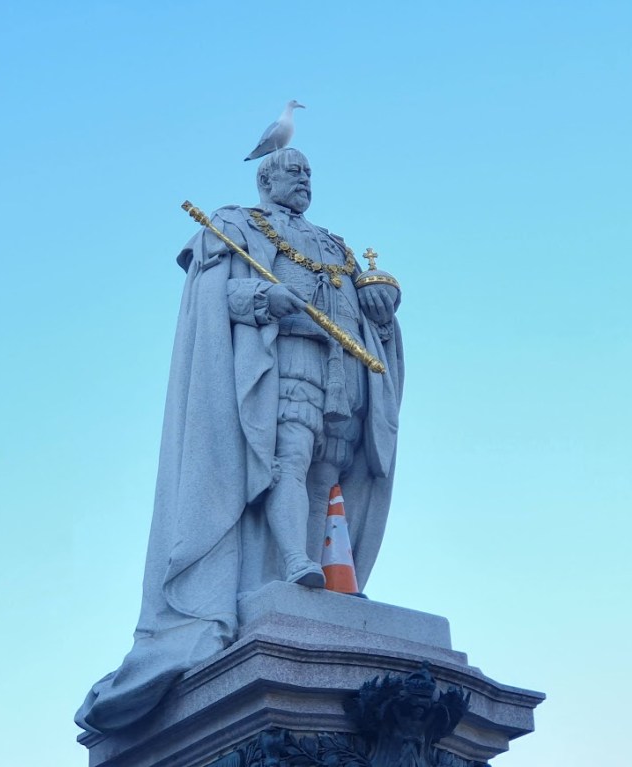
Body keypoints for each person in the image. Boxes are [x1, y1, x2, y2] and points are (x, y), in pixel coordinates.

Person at [76, 148, 403, 734]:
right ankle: (294, 566)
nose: (303, 178)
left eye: (309, 173)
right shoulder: (234, 225)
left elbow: (368, 302)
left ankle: (325, 577)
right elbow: (217, 298)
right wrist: (265, 299)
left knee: (329, 470)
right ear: (266, 178)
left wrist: (383, 301)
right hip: (287, 361)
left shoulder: (335, 243)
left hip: (344, 366)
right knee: (288, 458)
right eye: (293, 170)